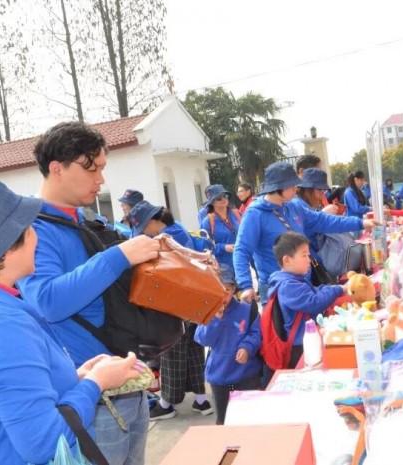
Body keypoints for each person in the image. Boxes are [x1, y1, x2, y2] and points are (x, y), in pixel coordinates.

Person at [0, 177, 144, 465]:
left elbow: (10, 399)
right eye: (30, 227)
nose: (37, 234)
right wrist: (96, 383)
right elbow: (45, 443)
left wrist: (77, 378)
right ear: (9, 243)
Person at [17, 122, 159, 465]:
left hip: (127, 386)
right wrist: (118, 256)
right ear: (57, 168)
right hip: (90, 400)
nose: (101, 179)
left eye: (103, 168)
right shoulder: (34, 229)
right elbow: (47, 300)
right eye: (91, 167)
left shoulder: (89, 220)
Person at [234, 162, 371, 303]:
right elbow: (241, 250)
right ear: (278, 187)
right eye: (292, 185)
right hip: (277, 291)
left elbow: (324, 221)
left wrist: (360, 223)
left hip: (303, 285)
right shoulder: (255, 214)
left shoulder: (294, 206)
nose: (296, 188)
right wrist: (246, 285)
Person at [127, 201, 214, 420]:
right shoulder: (172, 234)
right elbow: (192, 256)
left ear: (152, 221)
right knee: (194, 351)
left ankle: (166, 404)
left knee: (171, 355)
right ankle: (201, 401)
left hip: (171, 307)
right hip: (190, 303)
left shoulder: (157, 241)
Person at [269, 232, 349, 368]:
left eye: (308, 255)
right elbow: (314, 303)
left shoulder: (295, 279)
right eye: (304, 255)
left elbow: (315, 291)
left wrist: (337, 287)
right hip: (301, 346)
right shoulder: (287, 286)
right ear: (287, 260)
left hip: (308, 339)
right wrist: (339, 290)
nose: (309, 260)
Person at [194, 290, 261, 425]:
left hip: (247, 375)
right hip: (220, 377)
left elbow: (256, 333)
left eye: (227, 291)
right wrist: (215, 318)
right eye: (218, 289)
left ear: (233, 290)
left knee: (250, 419)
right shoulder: (208, 310)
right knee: (223, 420)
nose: (223, 295)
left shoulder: (247, 310)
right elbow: (203, 339)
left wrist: (246, 348)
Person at [200, 185, 241, 285]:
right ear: (212, 202)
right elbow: (205, 248)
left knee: (246, 297)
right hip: (223, 267)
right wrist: (223, 247)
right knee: (229, 298)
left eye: (225, 196)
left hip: (240, 263)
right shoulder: (208, 221)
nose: (223, 199)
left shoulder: (236, 214)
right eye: (219, 198)